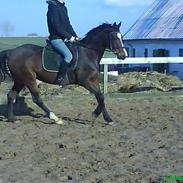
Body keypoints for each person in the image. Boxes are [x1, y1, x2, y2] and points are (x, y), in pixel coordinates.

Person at [46, 0, 78, 85]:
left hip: (64, 39)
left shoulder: (63, 8)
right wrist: (69, 36)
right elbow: (56, 27)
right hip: (55, 39)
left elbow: (68, 25)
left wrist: (75, 36)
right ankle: (60, 78)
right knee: (69, 56)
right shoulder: (53, 8)